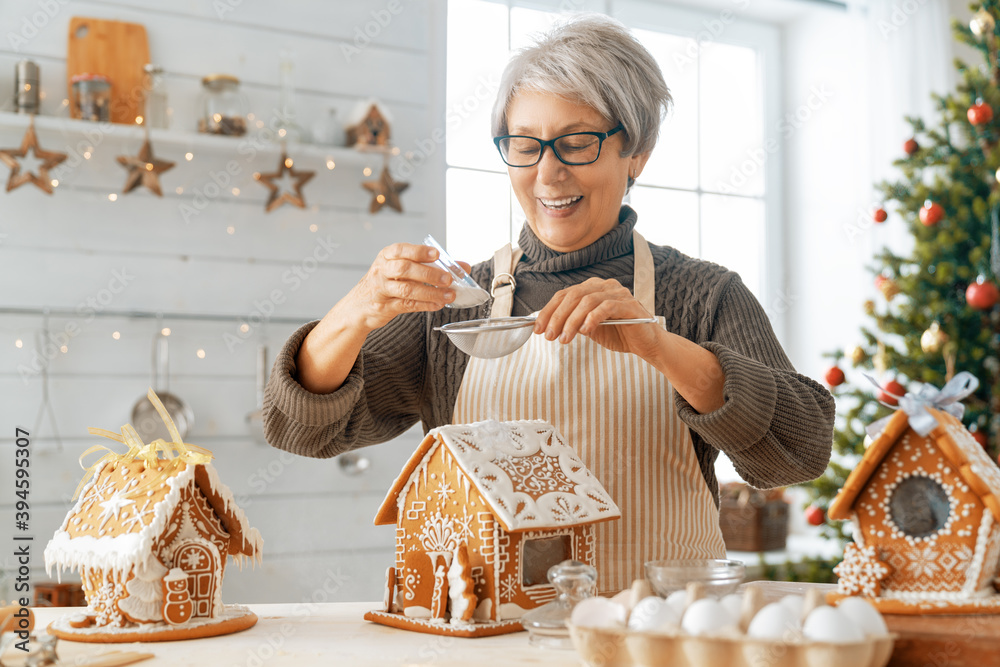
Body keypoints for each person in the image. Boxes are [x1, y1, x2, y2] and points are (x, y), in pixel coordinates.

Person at [264, 14, 834, 592]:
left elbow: (799, 452)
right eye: (524, 145)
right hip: (498, 642)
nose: (547, 172)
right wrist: (356, 311)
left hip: (657, 638)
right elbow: (298, 429)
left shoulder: (703, 295)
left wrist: (659, 347)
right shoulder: (456, 305)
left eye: (577, 142)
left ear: (636, 152)